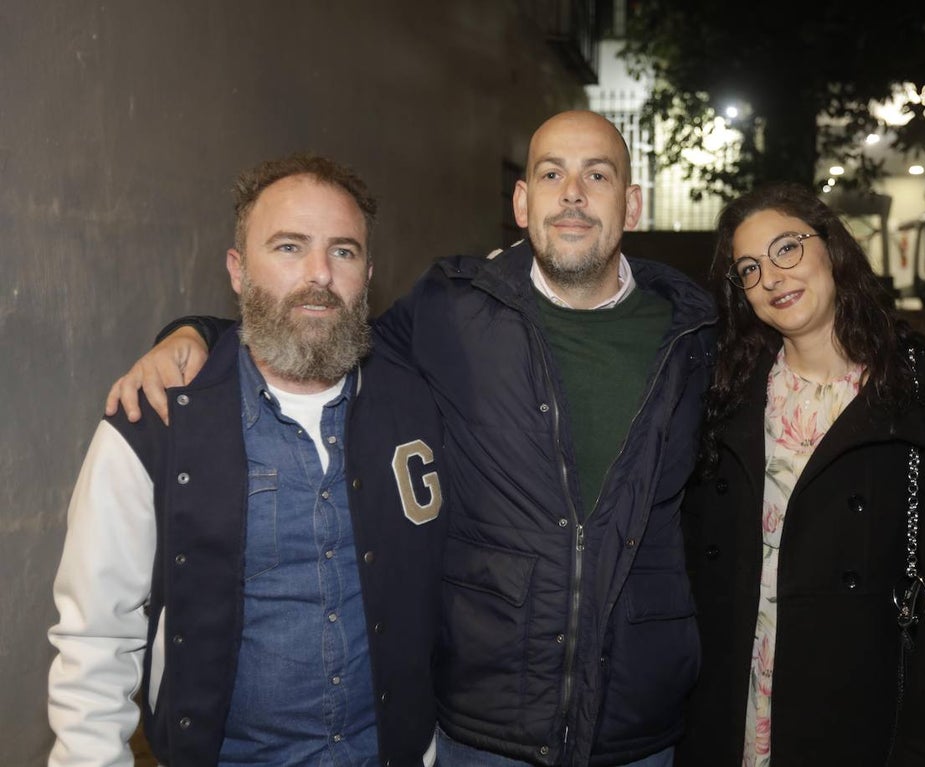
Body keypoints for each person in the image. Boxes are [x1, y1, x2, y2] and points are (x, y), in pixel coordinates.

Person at [104, 111, 716, 766]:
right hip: (485, 727)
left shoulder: (692, 335)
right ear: (520, 200)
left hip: (636, 725)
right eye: (550, 173)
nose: (571, 192)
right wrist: (195, 332)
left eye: (597, 174)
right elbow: (317, 334)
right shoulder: (451, 308)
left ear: (631, 202)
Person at [49, 155, 445, 767]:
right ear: (238, 271)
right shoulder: (155, 423)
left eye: (342, 252)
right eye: (289, 247)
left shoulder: (417, 403)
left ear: (367, 274)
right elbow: (96, 640)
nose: (319, 274)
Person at [675, 183, 925, 766]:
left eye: (787, 249)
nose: (771, 277)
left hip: (853, 705)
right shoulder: (728, 390)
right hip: (730, 698)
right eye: (749, 268)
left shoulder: (924, 386)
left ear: (831, 248)